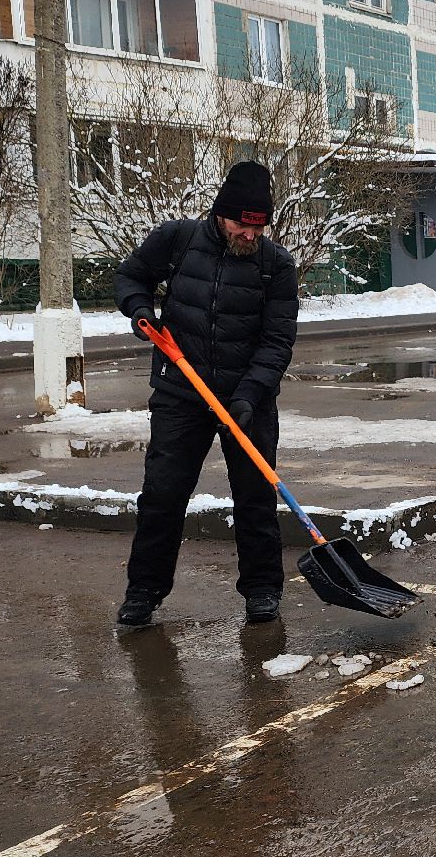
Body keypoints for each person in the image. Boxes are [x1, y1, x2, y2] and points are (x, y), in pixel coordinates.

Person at [114, 161, 298, 627]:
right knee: (162, 495)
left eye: (260, 228)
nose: (250, 236)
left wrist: (250, 395)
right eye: (243, 224)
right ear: (221, 214)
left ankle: (261, 590)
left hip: (246, 397)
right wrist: (140, 310)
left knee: (255, 496)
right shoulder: (177, 240)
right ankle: (144, 592)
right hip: (181, 391)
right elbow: (130, 277)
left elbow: (277, 342)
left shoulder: (276, 267)